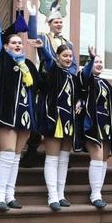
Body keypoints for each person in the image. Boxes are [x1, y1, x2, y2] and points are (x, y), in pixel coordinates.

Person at [0, 4, 41, 212]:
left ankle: (10, 194)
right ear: (7, 46)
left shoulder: (27, 65)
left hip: (25, 115)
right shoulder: (3, 61)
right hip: (6, 113)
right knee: (8, 153)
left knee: (16, 156)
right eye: (14, 43)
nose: (18, 45)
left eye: (20, 43)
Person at [75, 46, 112, 209]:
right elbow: (84, 75)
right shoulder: (85, 77)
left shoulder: (104, 82)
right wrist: (91, 58)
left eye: (101, 62)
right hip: (91, 122)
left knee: (104, 157)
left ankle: (98, 191)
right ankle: (95, 195)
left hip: (106, 124)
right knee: (97, 155)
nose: (99, 64)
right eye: (96, 62)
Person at [37, 34, 77, 211]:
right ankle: (52, 195)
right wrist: (41, 47)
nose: (68, 59)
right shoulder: (54, 70)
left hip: (68, 120)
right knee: (52, 158)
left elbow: (79, 95)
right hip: (54, 119)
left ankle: (61, 194)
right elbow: (46, 58)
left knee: (64, 159)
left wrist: (80, 103)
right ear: (58, 57)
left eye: (70, 56)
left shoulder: (73, 76)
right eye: (65, 56)